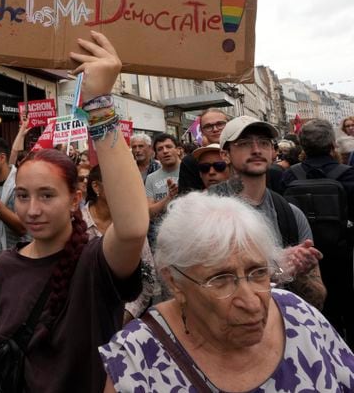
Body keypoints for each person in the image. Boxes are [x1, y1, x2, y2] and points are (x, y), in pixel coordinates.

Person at [0, 31, 147, 392]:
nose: (32, 210)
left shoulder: (94, 265)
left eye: (47, 195)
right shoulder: (4, 267)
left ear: (75, 198)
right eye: (22, 195)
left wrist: (99, 101)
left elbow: (131, 228)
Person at [100, 192, 354, 391]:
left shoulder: (300, 315)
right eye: (221, 279)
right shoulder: (136, 358)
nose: (252, 303)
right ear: (174, 281)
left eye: (258, 273)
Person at [210, 116, 326, 310]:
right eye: (245, 143)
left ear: (273, 152)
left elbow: (317, 299)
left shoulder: (291, 215)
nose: (256, 150)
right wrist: (276, 269)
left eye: (264, 143)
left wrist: (299, 271)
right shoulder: (205, 213)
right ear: (225, 155)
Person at [281, 118, 354, 344]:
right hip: (342, 253)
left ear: (302, 147)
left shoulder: (290, 175)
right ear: (332, 145)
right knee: (346, 306)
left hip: (304, 256)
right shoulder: (347, 174)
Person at [85, 165, 160, 323]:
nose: (126, 188)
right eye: (118, 182)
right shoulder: (76, 224)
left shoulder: (132, 224)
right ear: (96, 186)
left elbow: (148, 276)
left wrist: (127, 315)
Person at [179, 108, 230, 194]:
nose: (215, 129)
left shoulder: (241, 155)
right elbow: (186, 198)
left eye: (220, 124)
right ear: (201, 131)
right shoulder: (190, 161)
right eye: (208, 126)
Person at [145, 133, 181, 242]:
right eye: (160, 149)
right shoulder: (151, 178)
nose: (165, 151)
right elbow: (149, 212)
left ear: (178, 150)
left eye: (169, 147)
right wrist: (168, 197)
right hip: (161, 236)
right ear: (156, 155)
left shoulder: (190, 171)